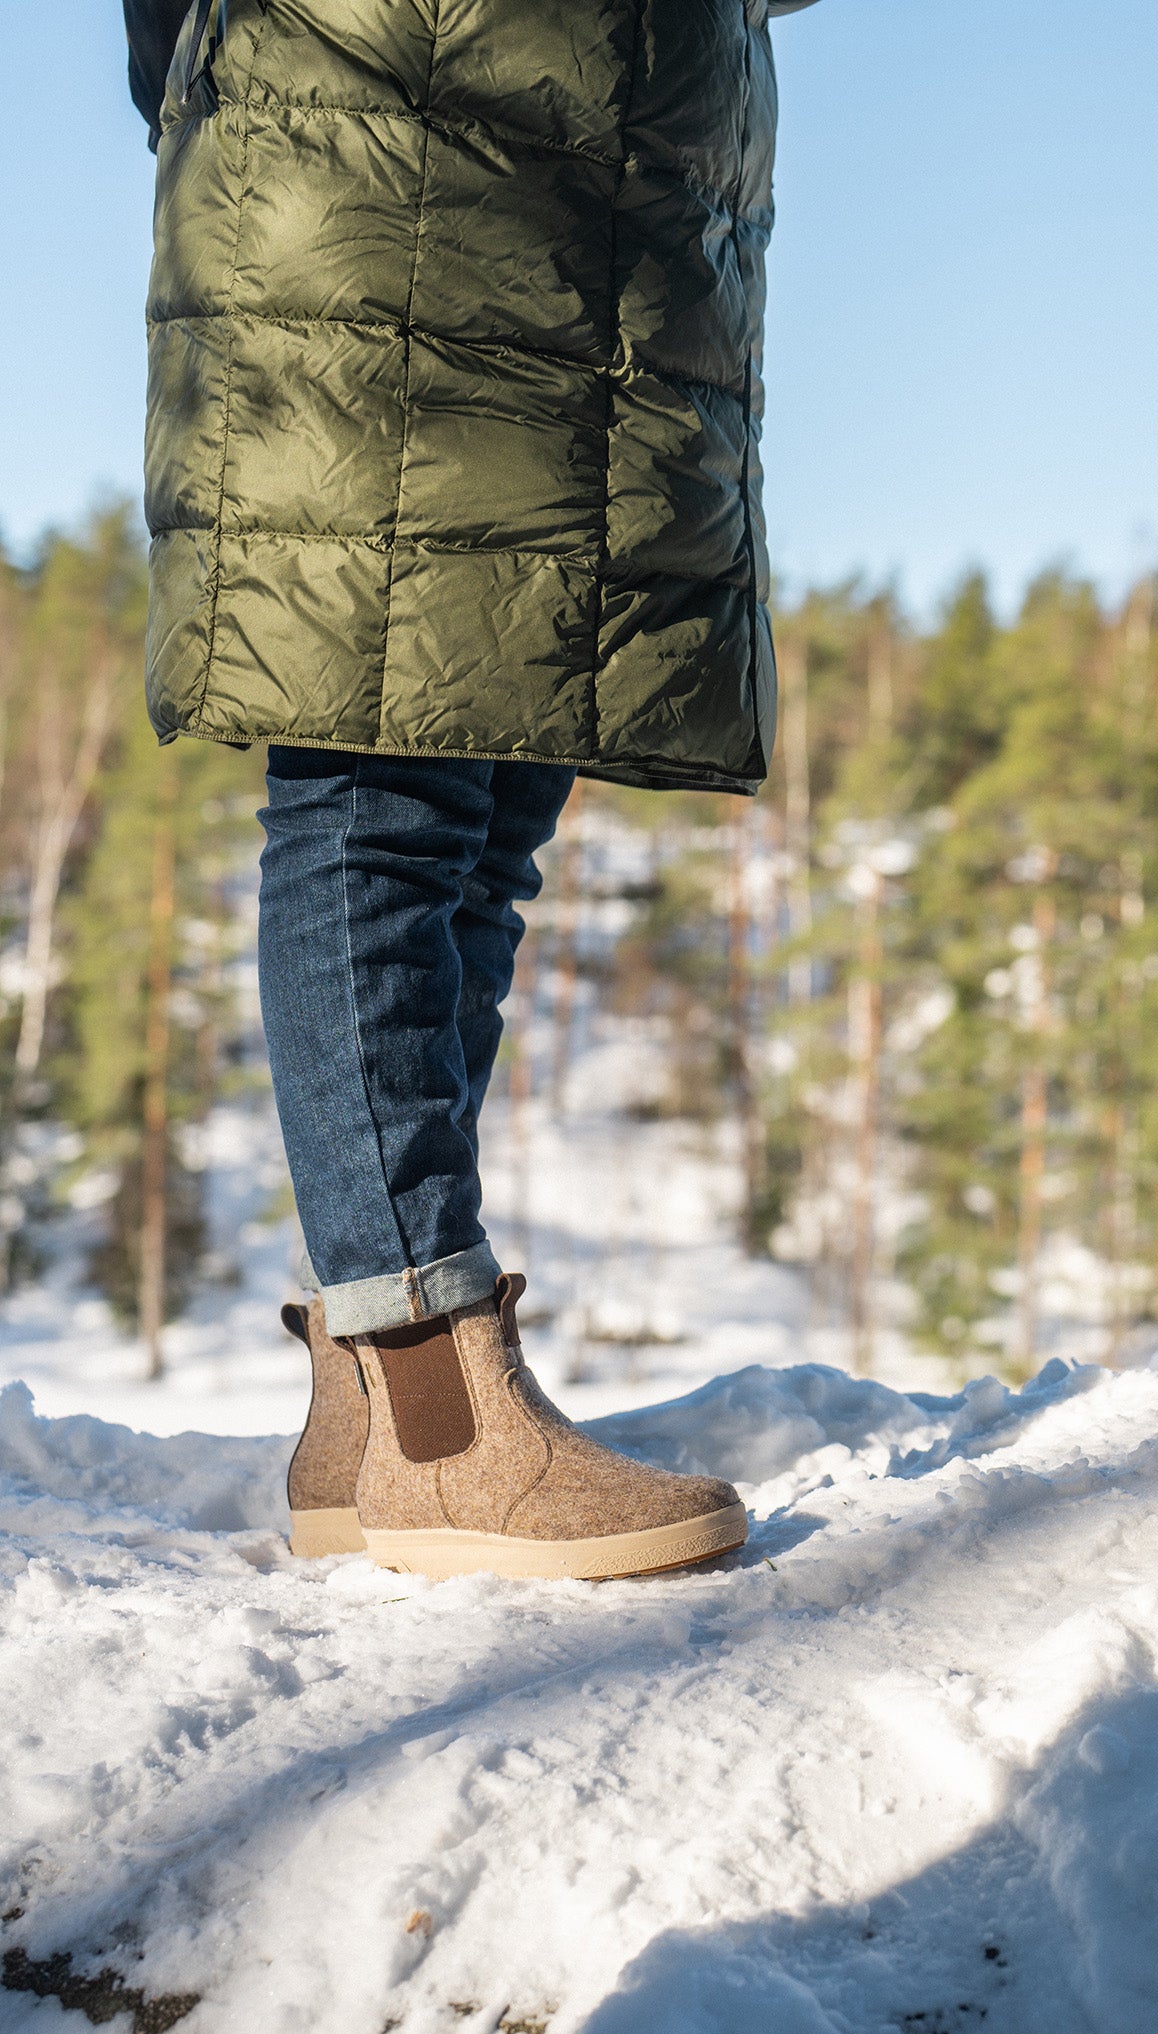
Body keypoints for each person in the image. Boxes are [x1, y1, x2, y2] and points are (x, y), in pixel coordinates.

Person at [123, 0, 817, 1576]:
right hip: (387, 128)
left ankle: (375, 1417)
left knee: (492, 800)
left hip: (612, 176)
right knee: (387, 776)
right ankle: (432, 1385)